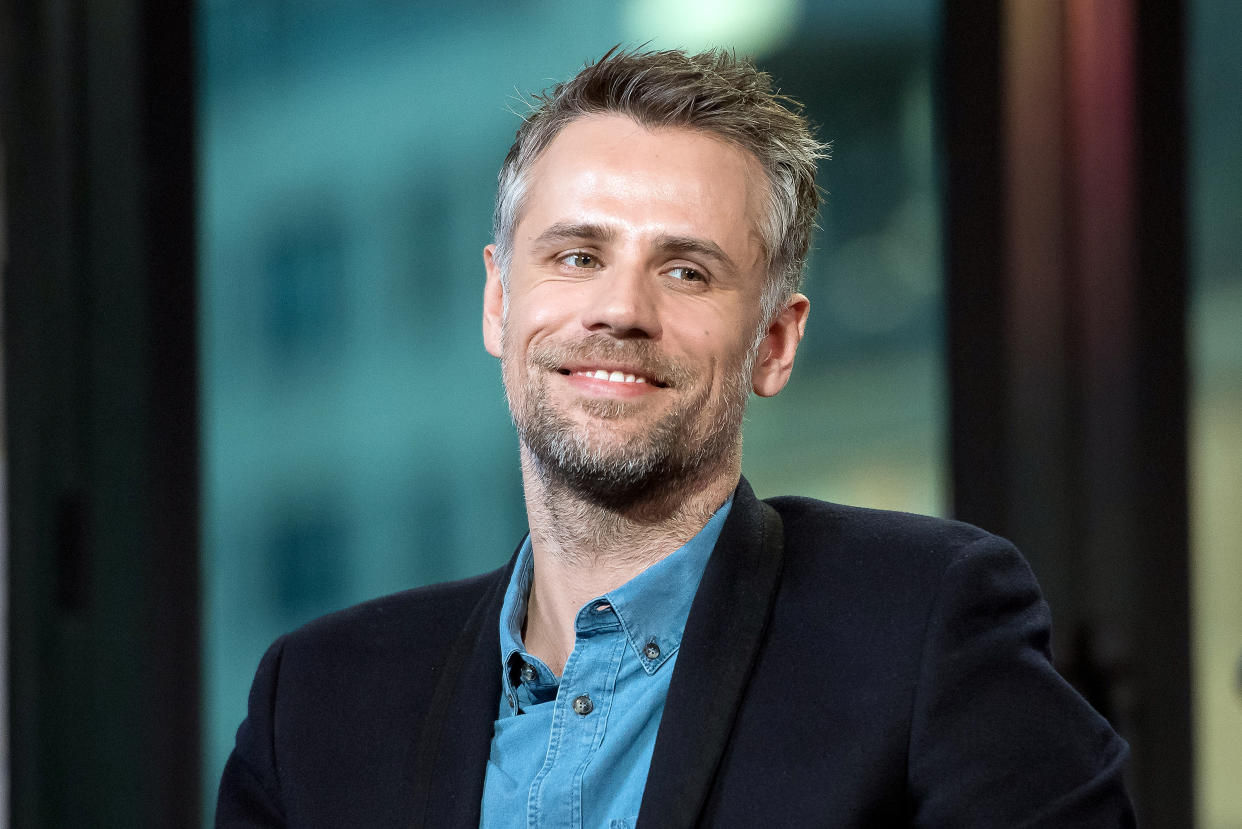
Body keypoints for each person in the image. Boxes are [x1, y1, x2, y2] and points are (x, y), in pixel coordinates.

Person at [216, 47, 1135, 828]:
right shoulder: (318, 699)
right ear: (500, 300)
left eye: (687, 270)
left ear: (774, 343)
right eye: (578, 256)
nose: (621, 309)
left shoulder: (924, 629)